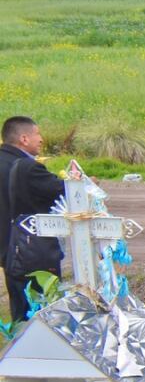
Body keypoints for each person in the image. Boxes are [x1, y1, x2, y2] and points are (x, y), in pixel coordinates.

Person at [0, 117, 64, 322]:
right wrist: (82, 183)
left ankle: (18, 351)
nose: (42, 139)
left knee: (19, 311)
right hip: (31, 251)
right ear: (24, 138)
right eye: (38, 134)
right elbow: (62, 191)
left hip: (7, 250)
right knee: (41, 312)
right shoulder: (28, 168)